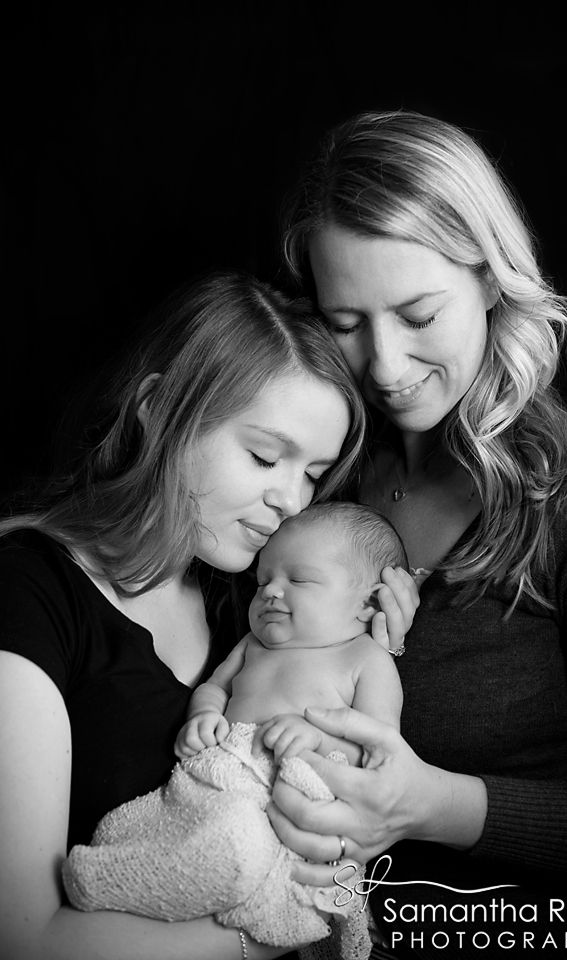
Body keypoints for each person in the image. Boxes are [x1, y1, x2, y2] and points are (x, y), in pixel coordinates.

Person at [268, 110, 567, 958]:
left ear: (489, 278)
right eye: (344, 322)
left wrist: (428, 803)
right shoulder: (308, 478)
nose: (386, 367)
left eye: (417, 313)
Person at [0, 271, 391, 960]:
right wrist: (263, 931)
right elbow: (21, 937)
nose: (290, 502)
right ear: (158, 409)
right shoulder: (27, 591)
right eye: (265, 456)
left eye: (312, 473)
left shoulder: (248, 595)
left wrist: (377, 622)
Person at [61, 501, 406, 960]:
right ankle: (117, 870)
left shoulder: (367, 661)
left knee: (240, 848)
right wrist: (203, 716)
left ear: (367, 603)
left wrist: (318, 739)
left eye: (297, 580)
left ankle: (128, 887)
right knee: (136, 822)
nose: (271, 593)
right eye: (264, 580)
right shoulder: (252, 646)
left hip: (287, 801)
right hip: (219, 779)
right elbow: (214, 689)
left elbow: (381, 755)